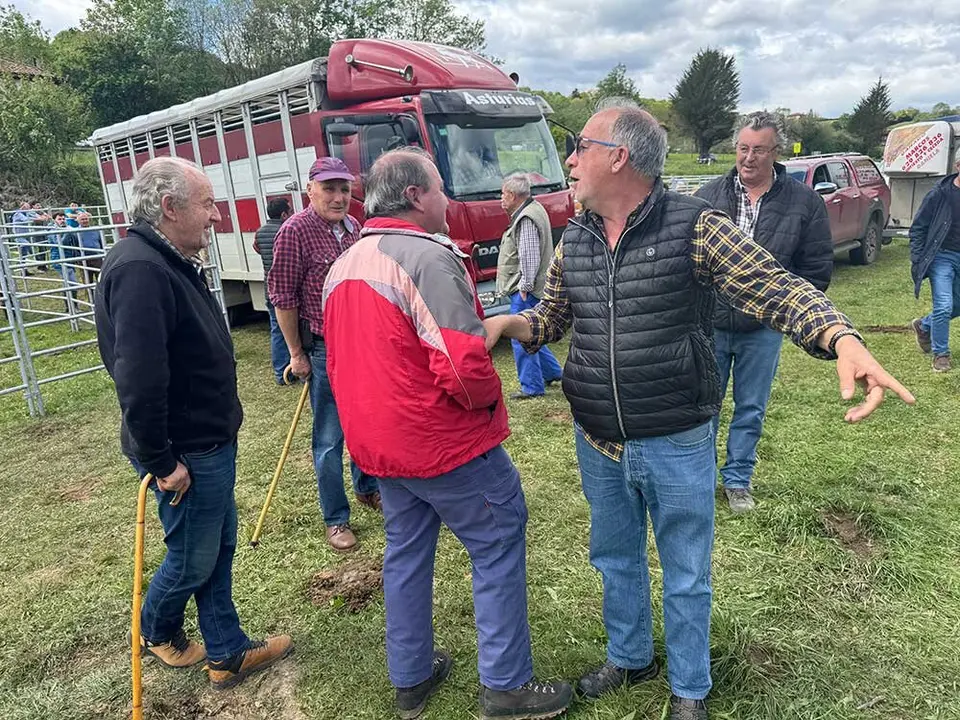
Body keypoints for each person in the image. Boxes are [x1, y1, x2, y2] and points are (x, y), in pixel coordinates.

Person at [484, 100, 914, 720]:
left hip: (677, 436)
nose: (570, 160)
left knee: (686, 568)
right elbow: (552, 317)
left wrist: (843, 338)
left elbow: (777, 286)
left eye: (580, 146)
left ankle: (690, 687)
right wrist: (513, 324)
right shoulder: (573, 235)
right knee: (613, 555)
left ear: (619, 156)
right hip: (598, 437)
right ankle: (631, 657)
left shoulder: (697, 225)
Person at [322, 147, 573, 720]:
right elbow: (462, 364)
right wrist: (488, 405)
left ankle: (410, 678)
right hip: (442, 441)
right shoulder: (428, 260)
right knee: (497, 539)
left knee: (406, 553)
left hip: (380, 443)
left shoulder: (348, 260)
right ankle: (507, 685)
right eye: (440, 188)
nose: (448, 200)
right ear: (415, 196)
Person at [95, 156, 293, 689]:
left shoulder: (166, 259)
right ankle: (156, 630)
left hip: (204, 441)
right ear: (169, 207)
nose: (216, 216)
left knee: (217, 545)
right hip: (186, 450)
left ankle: (226, 651)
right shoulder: (140, 268)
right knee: (193, 554)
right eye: (207, 204)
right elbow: (137, 378)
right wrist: (162, 461)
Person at [695, 112, 833, 512]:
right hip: (712, 325)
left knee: (751, 407)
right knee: (706, 404)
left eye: (759, 150)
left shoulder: (804, 203)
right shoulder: (707, 197)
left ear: (776, 152)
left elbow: (816, 267)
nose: (749, 158)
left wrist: (791, 314)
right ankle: (701, 478)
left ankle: (737, 479)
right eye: (742, 148)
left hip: (764, 329)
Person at [268, 156, 380, 552]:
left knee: (366, 423)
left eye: (345, 189)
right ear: (310, 190)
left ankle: (369, 487)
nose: (338, 197)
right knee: (330, 437)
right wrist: (295, 353)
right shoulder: (294, 231)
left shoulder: (356, 228)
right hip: (323, 348)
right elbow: (282, 297)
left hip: (362, 344)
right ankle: (336, 518)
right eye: (329, 189)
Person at [496, 173, 563, 400]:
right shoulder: (536, 208)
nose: (501, 199)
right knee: (533, 332)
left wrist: (524, 285)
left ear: (513, 195)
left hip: (528, 289)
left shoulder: (525, 218)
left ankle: (532, 387)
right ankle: (552, 372)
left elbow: (529, 256)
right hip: (536, 286)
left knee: (520, 335)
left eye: (503, 194)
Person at [910, 157, 960, 372]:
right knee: (944, 304)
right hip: (942, 256)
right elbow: (918, 227)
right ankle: (941, 354)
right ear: (958, 166)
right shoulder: (940, 194)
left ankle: (925, 325)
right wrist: (918, 258)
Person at [253, 198, 292, 384]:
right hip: (285, 290)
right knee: (293, 331)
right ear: (284, 214)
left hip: (268, 288)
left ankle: (279, 373)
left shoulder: (260, 232)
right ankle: (293, 371)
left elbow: (258, 250)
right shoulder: (286, 231)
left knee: (276, 330)